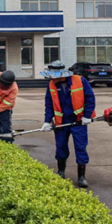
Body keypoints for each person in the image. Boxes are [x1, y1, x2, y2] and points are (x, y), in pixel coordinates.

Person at [40, 60, 96, 188]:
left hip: (78, 122)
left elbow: (90, 98)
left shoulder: (80, 81)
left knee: (80, 148)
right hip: (61, 123)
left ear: (62, 75)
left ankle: (81, 177)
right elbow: (49, 104)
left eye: (54, 76)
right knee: (61, 147)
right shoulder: (52, 85)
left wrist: (87, 116)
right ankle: (61, 172)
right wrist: (47, 121)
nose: (52, 79)